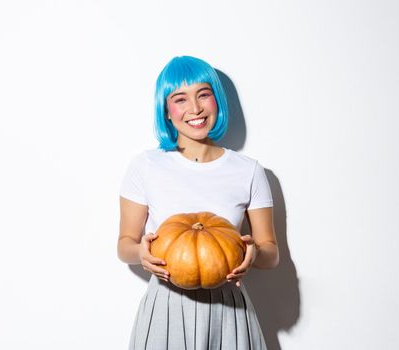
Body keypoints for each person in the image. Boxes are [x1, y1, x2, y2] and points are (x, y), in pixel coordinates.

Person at [117, 55, 279, 350]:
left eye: (203, 95)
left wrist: (253, 255)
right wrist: (140, 253)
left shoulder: (249, 170)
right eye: (180, 99)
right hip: (165, 306)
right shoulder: (145, 166)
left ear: (217, 100)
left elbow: (272, 253)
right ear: (166, 111)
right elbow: (124, 244)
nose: (195, 108)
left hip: (229, 307)